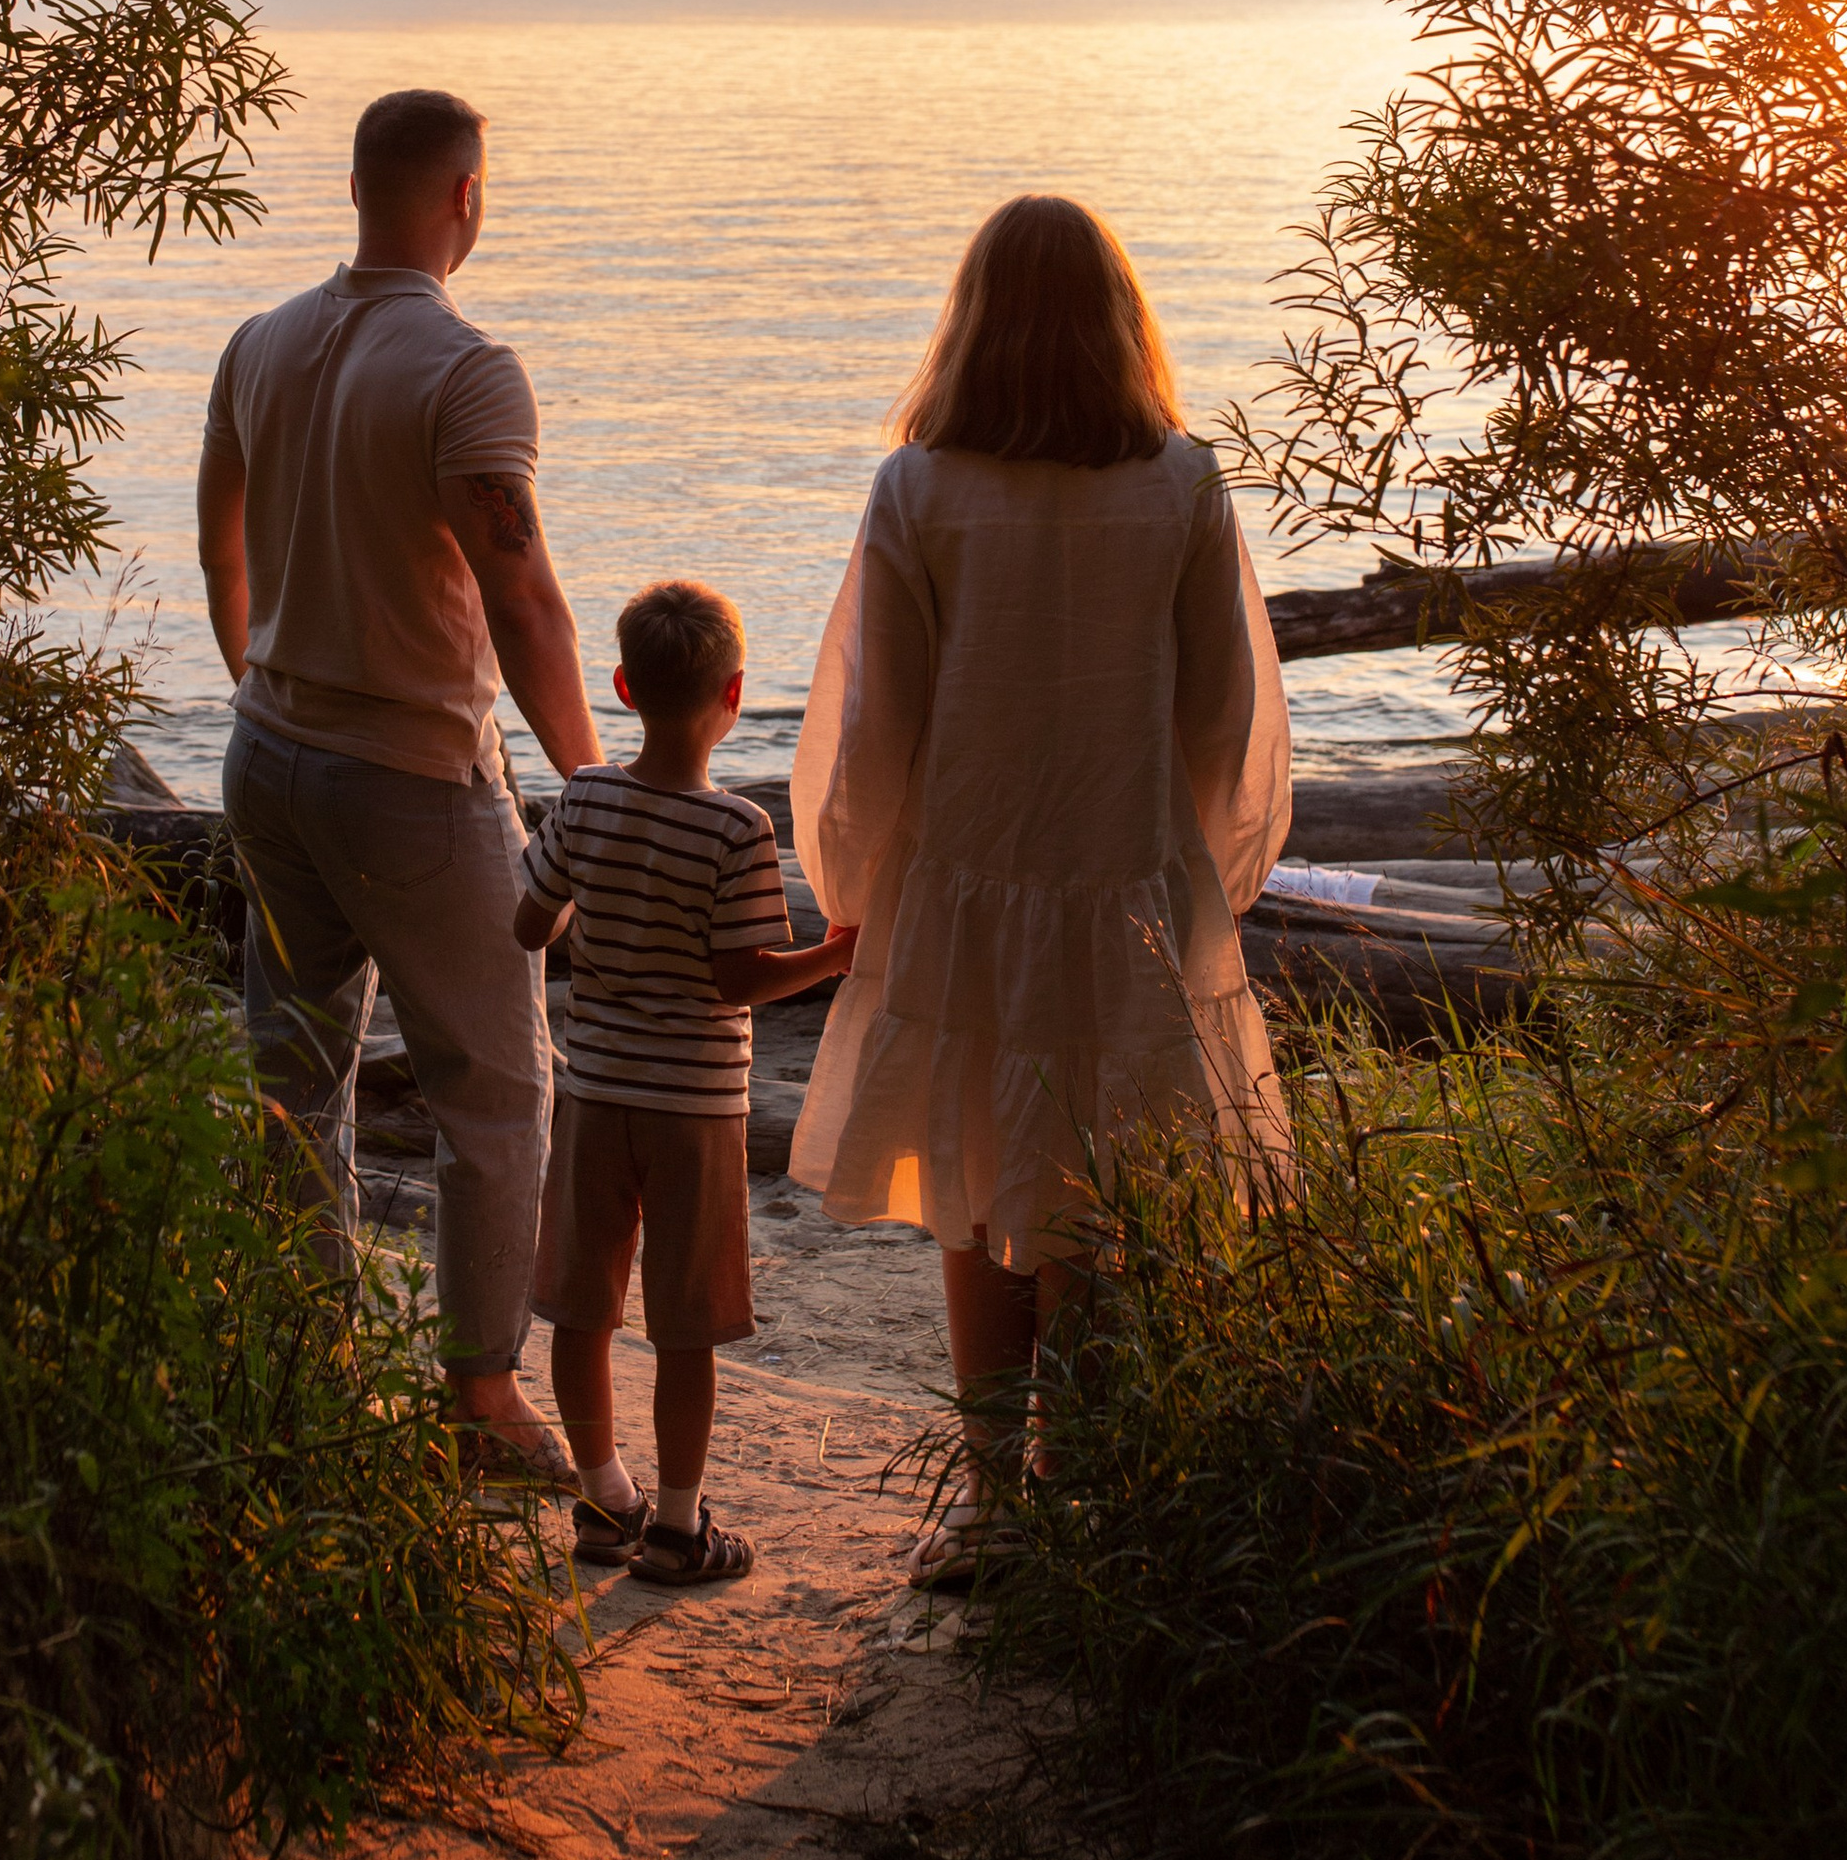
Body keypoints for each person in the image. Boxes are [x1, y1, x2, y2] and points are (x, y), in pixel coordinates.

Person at [788, 193, 1291, 1589]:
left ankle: (998, 1509)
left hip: (969, 882)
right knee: (1101, 1193)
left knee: (974, 1182)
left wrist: (849, 878)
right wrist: (1209, 870)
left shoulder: (919, 487)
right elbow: (1224, 713)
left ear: (974, 321)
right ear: (1121, 322)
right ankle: (1080, 1491)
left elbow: (873, 717)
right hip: (1124, 878)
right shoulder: (1182, 480)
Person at [197, 86, 602, 1487]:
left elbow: (222, 557)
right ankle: (480, 1396)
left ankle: (304, 1357)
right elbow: (525, 596)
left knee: (295, 1073)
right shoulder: (466, 367)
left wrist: (265, 687)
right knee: (498, 1090)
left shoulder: (260, 344)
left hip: (270, 759)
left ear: (361, 185)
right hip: (416, 779)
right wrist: (591, 782)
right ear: (466, 195)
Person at [515, 579, 856, 1585]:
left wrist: (597, 904)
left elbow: (529, 925)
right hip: (695, 1112)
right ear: (734, 695)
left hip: (594, 1095)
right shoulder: (739, 831)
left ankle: (600, 1498)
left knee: (583, 1308)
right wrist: (835, 959)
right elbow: (738, 979)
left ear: (620, 685)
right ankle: (673, 1526)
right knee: (686, 1324)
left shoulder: (583, 797)